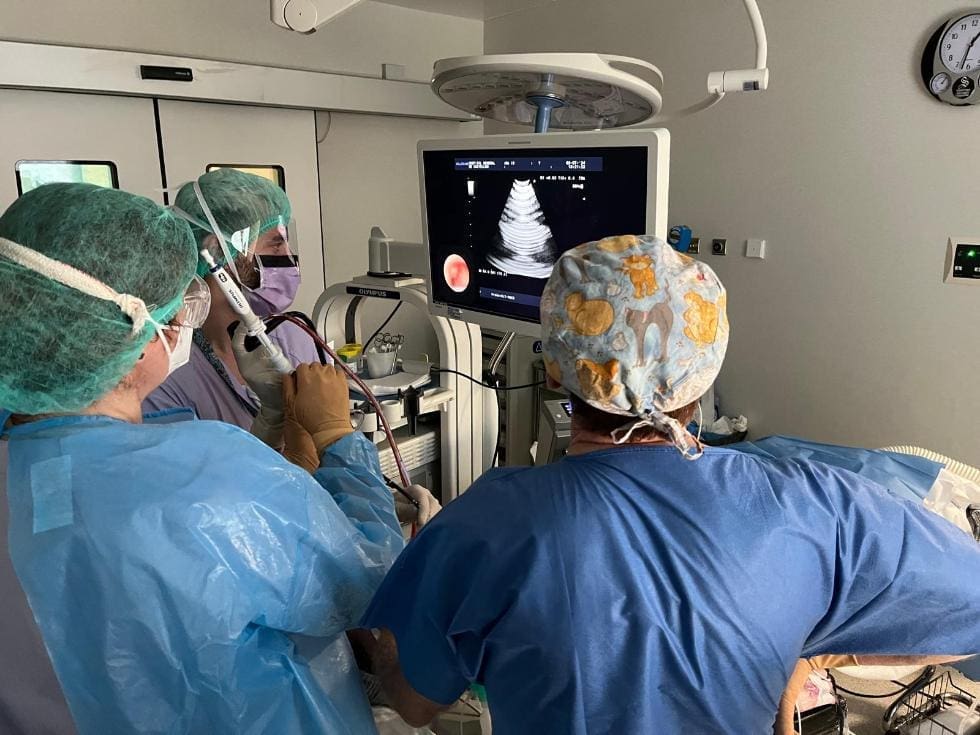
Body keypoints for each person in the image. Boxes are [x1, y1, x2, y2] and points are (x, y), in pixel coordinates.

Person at [360, 235, 980, 733]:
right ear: (703, 372)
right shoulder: (814, 503)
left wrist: (385, 615)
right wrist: (805, 645)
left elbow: (412, 705)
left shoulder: (485, 525)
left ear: (554, 369)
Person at [0, 183, 403, 734]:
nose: (180, 325)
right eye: (174, 310)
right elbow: (369, 578)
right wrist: (337, 438)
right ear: (135, 339)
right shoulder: (211, 472)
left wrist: (270, 429)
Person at [144, 168, 319, 432]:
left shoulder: (294, 337)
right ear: (216, 250)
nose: (289, 257)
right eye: (275, 245)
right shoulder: (166, 369)